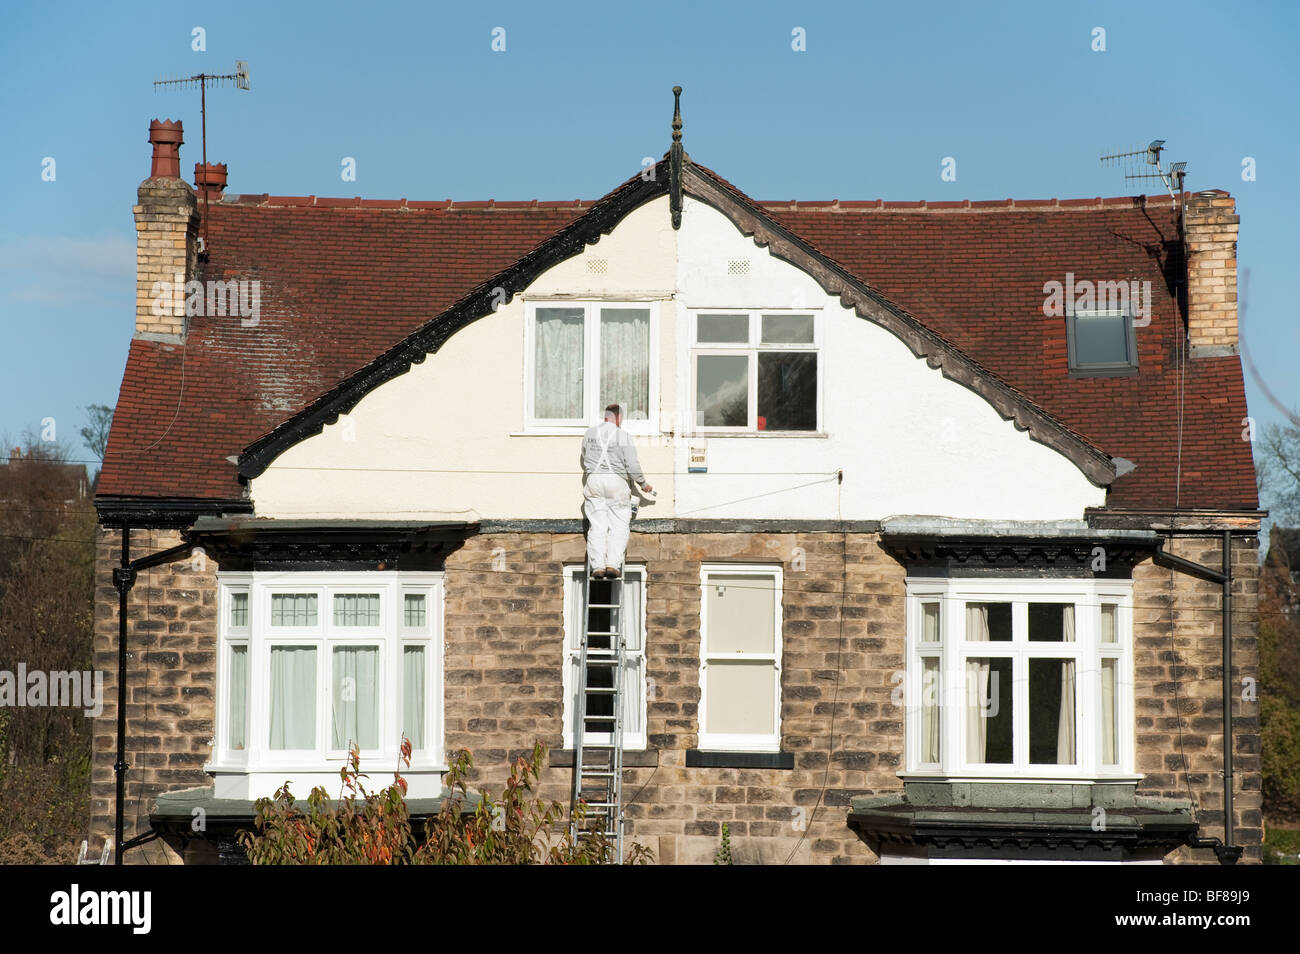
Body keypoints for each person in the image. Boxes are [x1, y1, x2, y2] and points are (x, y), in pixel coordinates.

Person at [581, 404, 653, 578]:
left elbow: (584, 456)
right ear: (619, 418)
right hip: (616, 481)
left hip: (594, 480)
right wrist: (643, 483)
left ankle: (597, 566)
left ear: (605, 416)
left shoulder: (589, 434)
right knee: (619, 525)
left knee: (597, 526)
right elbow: (632, 464)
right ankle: (613, 565)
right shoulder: (623, 436)